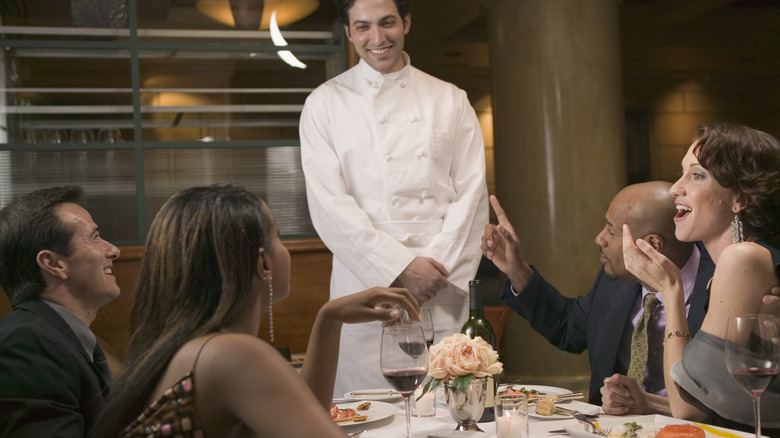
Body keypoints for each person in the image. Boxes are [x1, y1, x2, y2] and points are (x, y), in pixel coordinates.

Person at [89, 183, 420, 438]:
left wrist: (329, 319)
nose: (285, 249)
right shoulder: (230, 354)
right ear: (263, 262)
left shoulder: (190, 347)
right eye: (278, 236)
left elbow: (304, 413)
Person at [299, 0, 488, 395]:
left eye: (387, 23)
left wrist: (429, 275)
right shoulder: (324, 104)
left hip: (441, 282)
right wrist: (399, 270)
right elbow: (328, 206)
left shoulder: (450, 99)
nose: (377, 38)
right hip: (366, 290)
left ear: (406, 22)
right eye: (363, 27)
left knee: (445, 406)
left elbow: (471, 196)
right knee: (368, 413)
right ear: (349, 33)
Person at [481, 181, 714, 408]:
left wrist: (650, 404)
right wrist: (517, 270)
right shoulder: (616, 280)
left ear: (651, 244)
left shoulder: (721, 286)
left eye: (611, 231)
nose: (599, 239)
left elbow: (730, 407)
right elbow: (567, 326)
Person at [611, 123, 780, 432]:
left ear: (739, 199)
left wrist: (669, 289)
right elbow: (710, 403)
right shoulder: (741, 261)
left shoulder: (741, 258)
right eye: (681, 172)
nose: (676, 188)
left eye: (697, 175)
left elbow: (687, 406)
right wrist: (648, 401)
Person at [0, 186, 119, 437]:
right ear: (53, 263)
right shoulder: (27, 342)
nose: (113, 250)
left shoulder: (58, 336)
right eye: (95, 237)